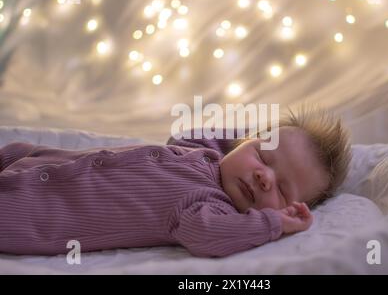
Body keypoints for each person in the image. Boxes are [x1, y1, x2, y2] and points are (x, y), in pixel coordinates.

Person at [0, 106, 351, 257]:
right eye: (262, 156)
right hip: (38, 159)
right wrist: (242, 142)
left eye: (281, 188)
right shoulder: (205, 155)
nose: (263, 176)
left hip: (32, 213)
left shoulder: (209, 207)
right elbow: (191, 134)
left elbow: (209, 237)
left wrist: (274, 223)